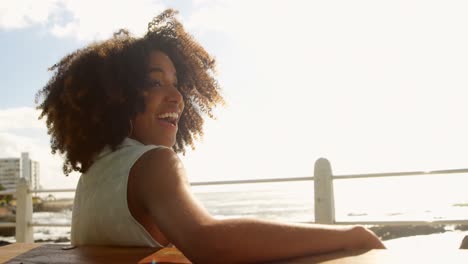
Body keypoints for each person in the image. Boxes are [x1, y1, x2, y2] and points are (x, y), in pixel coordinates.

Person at [36, 9, 385, 263]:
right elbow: (208, 241)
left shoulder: (95, 172)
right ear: (116, 97)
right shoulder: (152, 163)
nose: (176, 97)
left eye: (177, 83)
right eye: (155, 82)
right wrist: (347, 235)